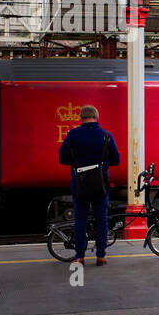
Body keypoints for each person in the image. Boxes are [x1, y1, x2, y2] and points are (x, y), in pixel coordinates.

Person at [58, 105, 120, 265]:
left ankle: (80, 256)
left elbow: (62, 158)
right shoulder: (106, 135)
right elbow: (116, 160)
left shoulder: (73, 135)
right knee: (101, 219)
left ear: (81, 117)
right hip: (101, 183)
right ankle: (100, 255)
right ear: (97, 117)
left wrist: (78, 163)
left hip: (80, 183)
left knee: (80, 219)